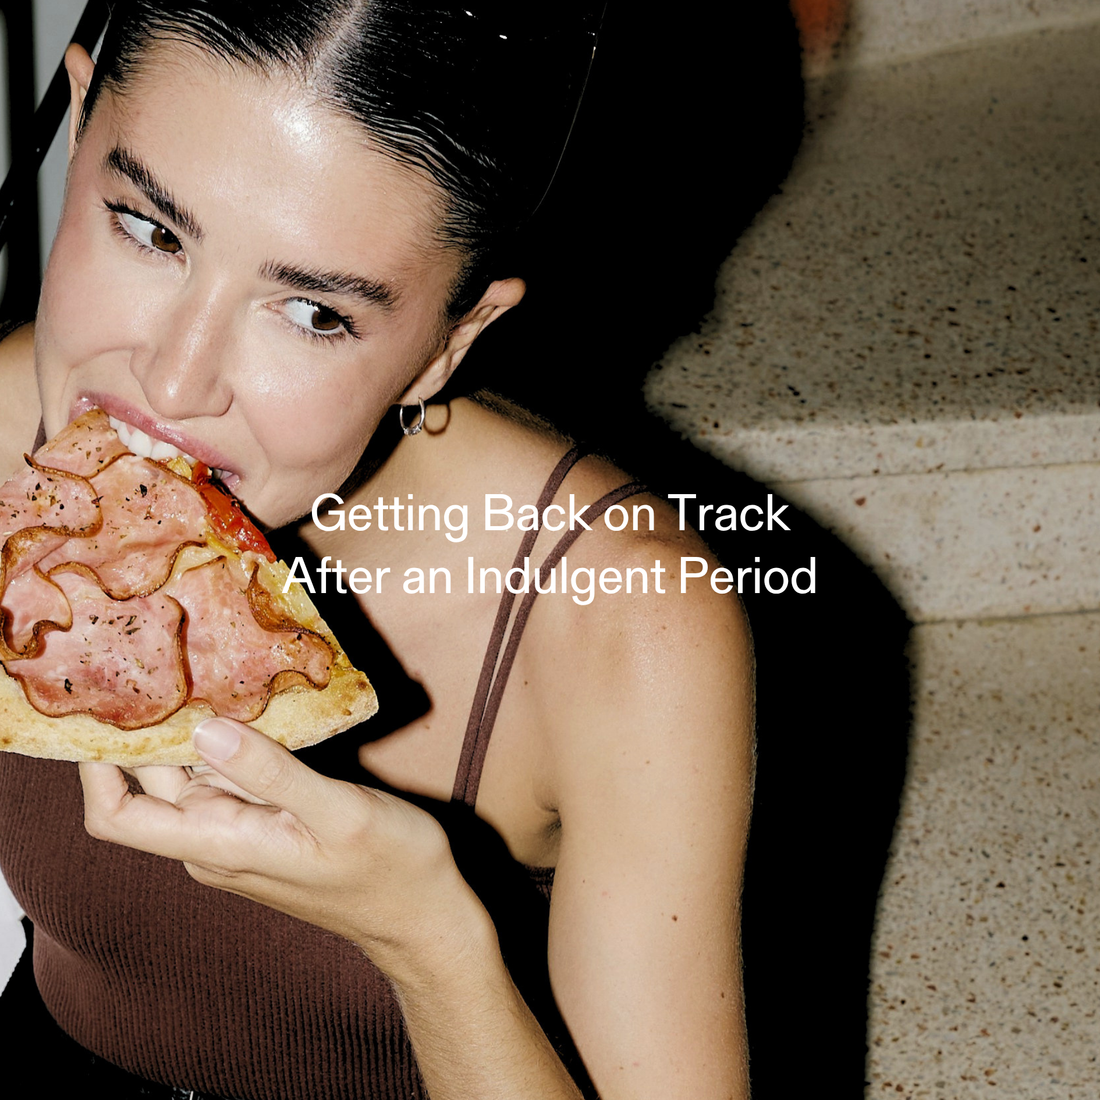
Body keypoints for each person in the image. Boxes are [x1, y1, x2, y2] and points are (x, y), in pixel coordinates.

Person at [0, 3, 753, 1098]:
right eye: (150, 231)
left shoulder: (620, 614)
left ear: (454, 339)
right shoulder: (9, 429)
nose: (172, 381)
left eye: (312, 313)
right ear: (77, 126)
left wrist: (428, 940)